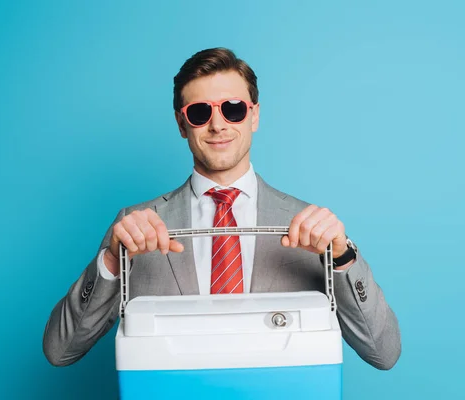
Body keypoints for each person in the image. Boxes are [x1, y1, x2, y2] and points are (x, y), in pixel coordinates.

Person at [43, 47, 401, 370]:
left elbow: (383, 352)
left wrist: (342, 258)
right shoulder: (136, 226)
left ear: (254, 116)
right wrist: (110, 262)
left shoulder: (309, 225)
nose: (218, 125)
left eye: (233, 109)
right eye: (200, 113)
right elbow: (61, 351)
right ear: (181, 124)